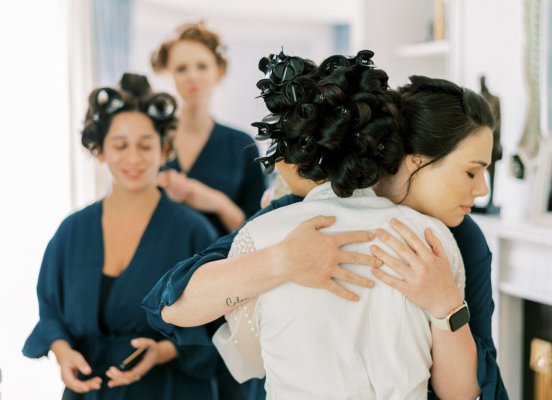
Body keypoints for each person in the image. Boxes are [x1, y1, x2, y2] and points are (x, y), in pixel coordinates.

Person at [143, 51, 508, 399]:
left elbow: (473, 383)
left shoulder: (461, 238)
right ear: (416, 161)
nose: (481, 190)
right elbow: (172, 304)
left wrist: (446, 305)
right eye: (471, 171)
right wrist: (282, 262)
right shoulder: (293, 216)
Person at [22, 73, 222, 399]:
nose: (133, 158)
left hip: (168, 390)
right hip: (90, 390)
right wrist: (62, 352)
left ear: (164, 149)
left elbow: (220, 323)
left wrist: (162, 351)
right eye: (120, 145)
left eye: (145, 145)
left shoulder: (193, 232)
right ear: (99, 151)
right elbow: (50, 311)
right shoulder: (72, 231)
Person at [151, 22, 266, 236]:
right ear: (168, 74)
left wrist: (217, 202)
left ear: (219, 71)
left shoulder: (242, 145)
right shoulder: (151, 141)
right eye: (181, 68)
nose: (192, 76)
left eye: (202, 66)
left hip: (222, 265)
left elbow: (258, 233)